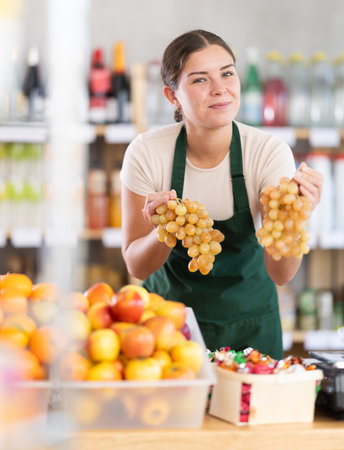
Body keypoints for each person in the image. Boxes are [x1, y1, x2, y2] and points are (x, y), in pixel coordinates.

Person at [120, 29, 323, 359]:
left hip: (251, 324)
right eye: (200, 80)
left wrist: (295, 219)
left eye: (227, 73)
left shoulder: (267, 152)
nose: (220, 89)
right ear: (172, 96)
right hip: (169, 327)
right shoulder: (147, 153)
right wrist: (164, 230)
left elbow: (282, 274)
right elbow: (137, 266)